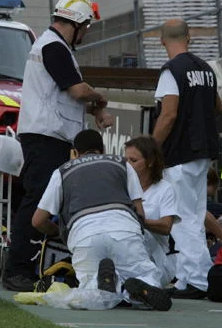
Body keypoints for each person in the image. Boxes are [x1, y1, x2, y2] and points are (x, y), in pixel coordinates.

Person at [4, 0, 113, 291]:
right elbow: (78, 91)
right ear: (77, 23)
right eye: (87, 27)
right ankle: (17, 270)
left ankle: (26, 267)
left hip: (47, 136)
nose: (87, 33)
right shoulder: (54, 47)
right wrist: (99, 99)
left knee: (40, 203)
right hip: (46, 138)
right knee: (37, 203)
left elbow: (66, 94)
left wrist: (93, 107)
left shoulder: (54, 47)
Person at [32, 130, 171, 311]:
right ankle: (133, 291)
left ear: (75, 152)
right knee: (145, 274)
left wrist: (57, 232)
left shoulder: (62, 172)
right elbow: (140, 214)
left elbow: (37, 221)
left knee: (91, 293)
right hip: (123, 228)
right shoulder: (123, 165)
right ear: (103, 149)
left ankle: (105, 286)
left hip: (83, 234)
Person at [151, 19, 220, 299]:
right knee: (193, 214)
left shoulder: (171, 71)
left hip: (179, 153)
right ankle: (187, 278)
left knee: (182, 219)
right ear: (189, 38)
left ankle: (198, 280)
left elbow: (168, 114)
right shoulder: (206, 68)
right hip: (203, 151)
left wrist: (151, 148)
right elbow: (216, 105)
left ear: (161, 40)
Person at [124, 135, 179, 288]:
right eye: (126, 161)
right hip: (125, 251)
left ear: (150, 162)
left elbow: (166, 227)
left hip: (156, 258)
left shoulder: (165, 189)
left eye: (133, 161)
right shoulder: (120, 186)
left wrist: (139, 220)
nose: (127, 166)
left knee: (136, 234)